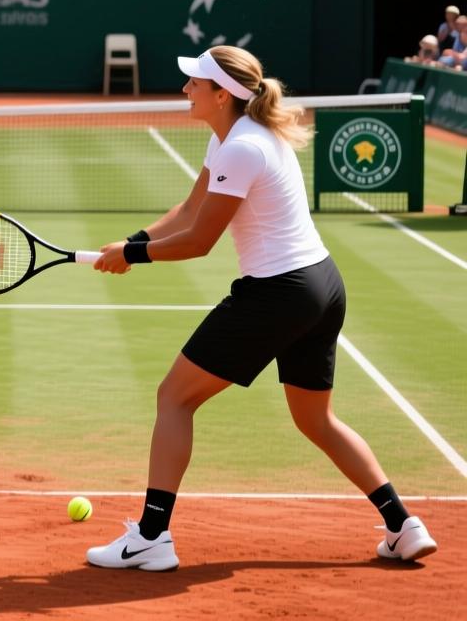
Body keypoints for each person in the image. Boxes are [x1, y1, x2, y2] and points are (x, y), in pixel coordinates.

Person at [86, 45, 439, 572]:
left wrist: (134, 256)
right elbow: (188, 209)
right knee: (316, 420)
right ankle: (403, 525)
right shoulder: (234, 137)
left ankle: (152, 537)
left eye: (195, 83)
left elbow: (201, 239)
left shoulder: (242, 149)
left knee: (174, 398)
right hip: (323, 286)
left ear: (222, 94)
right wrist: (132, 242)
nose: (185, 89)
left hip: (279, 293)